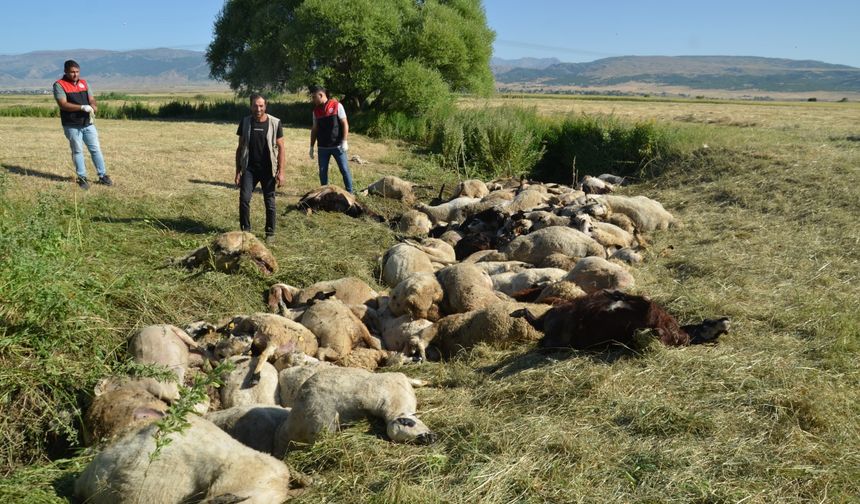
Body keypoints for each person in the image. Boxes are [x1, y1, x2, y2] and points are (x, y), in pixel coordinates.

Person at [53, 60, 112, 190]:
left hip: (88, 123)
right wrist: (82, 107)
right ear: (66, 72)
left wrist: (93, 105)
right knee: (77, 151)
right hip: (72, 124)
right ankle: (82, 177)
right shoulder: (59, 85)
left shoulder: (84, 83)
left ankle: (102, 176)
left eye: (77, 72)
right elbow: (63, 104)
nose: (75, 74)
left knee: (95, 149)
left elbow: (91, 98)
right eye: (72, 72)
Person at [236, 94, 285, 242]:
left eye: (261, 105)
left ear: (266, 106)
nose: (258, 108)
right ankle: (246, 231)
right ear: (251, 106)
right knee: (244, 199)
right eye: (255, 105)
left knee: (269, 202)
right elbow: (240, 148)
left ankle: (270, 233)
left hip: (268, 169)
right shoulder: (245, 122)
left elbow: (282, 148)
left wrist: (281, 172)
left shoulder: (275, 123)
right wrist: (237, 171)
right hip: (249, 169)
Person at [309, 87, 354, 193]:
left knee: (344, 169)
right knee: (322, 172)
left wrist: (344, 141)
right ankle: (324, 193)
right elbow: (314, 129)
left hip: (337, 146)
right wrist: (311, 146)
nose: (313, 100)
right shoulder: (315, 111)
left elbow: (344, 123)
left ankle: (351, 192)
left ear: (321, 95)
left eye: (314, 97)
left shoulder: (337, 105)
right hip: (322, 147)